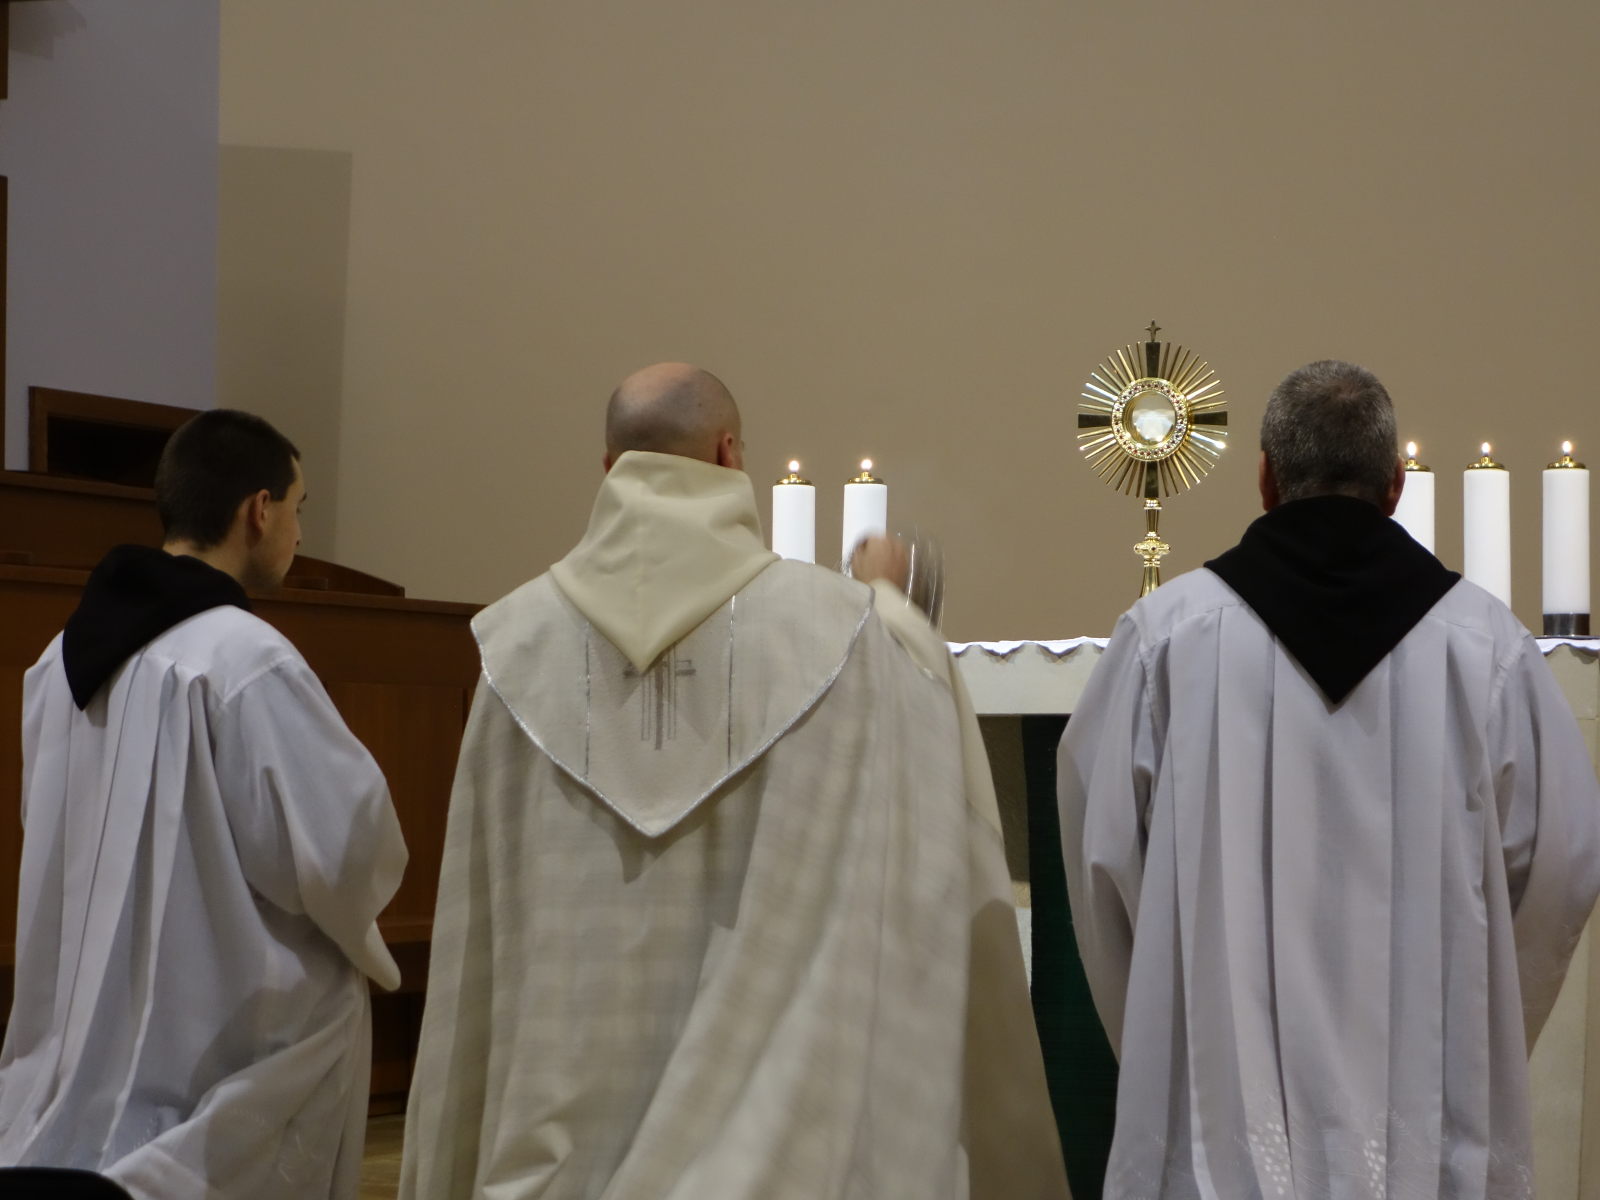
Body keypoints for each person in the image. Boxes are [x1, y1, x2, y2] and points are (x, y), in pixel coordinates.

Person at [400, 363, 1068, 1199]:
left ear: (610, 468)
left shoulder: (514, 647)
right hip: (780, 1162)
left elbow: (483, 935)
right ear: (728, 453)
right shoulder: (847, 635)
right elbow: (927, 783)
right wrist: (889, 601)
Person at [1058, 359, 1600, 1198]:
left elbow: (1105, 863)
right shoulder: (1485, 647)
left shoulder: (1170, 636)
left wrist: (1166, 1030)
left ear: (1268, 481)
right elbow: (1561, 865)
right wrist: (1482, 1030)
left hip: (1219, 1121)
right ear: (1396, 485)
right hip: (1430, 1119)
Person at [0, 410, 407, 1199]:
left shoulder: (59, 654)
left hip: (81, 1019)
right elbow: (344, 849)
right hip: (213, 1031)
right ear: (259, 510)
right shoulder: (244, 656)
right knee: (332, 1003)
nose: (296, 530)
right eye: (298, 507)